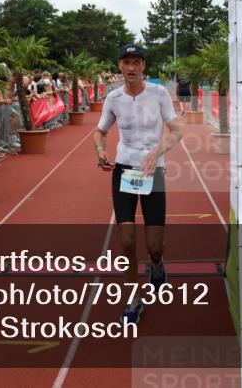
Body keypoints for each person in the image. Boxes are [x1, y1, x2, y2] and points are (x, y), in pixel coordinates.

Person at [94, 43, 183, 323]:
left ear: (144, 66)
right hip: (124, 169)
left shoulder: (158, 94)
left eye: (136, 62)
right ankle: (133, 299)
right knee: (127, 239)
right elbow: (100, 131)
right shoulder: (114, 98)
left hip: (152, 171)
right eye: (126, 62)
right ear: (119, 66)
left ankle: (156, 264)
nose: (131, 67)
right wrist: (101, 151)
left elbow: (177, 130)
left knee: (154, 245)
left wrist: (157, 152)